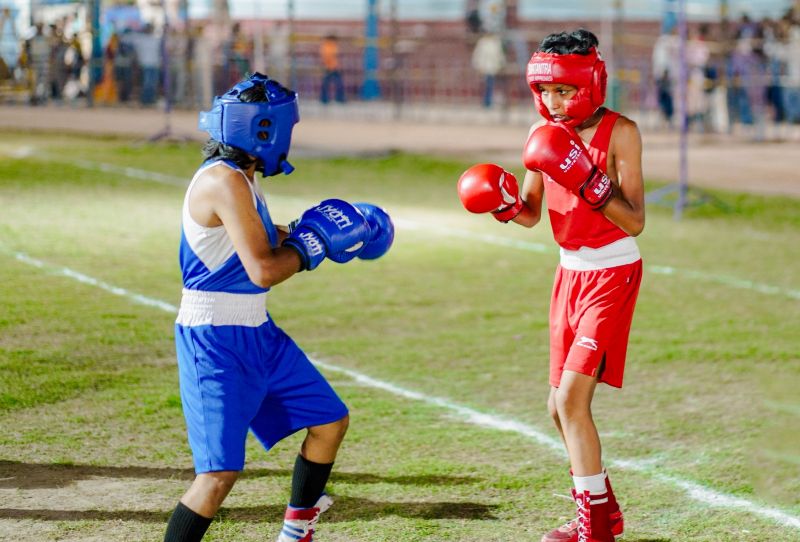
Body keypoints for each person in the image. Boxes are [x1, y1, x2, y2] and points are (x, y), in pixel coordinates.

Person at [164, 73, 395, 542]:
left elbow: (261, 239)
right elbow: (263, 270)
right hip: (215, 338)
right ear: (264, 130)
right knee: (217, 477)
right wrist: (312, 246)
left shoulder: (240, 177)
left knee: (330, 421)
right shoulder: (223, 181)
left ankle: (296, 532)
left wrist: (317, 231)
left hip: (255, 330)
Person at [457, 29, 644, 542]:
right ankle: (604, 512)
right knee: (554, 406)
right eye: (546, 91)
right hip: (569, 275)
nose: (554, 102)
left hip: (612, 271)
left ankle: (594, 529)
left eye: (564, 90)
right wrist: (501, 203)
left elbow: (634, 220)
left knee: (570, 403)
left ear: (590, 82)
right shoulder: (542, 132)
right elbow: (532, 214)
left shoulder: (621, 131)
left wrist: (590, 182)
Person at [319, 34, 345, 104]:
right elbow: (328, 57)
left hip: (332, 67)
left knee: (333, 83)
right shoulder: (329, 46)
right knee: (333, 83)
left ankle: (327, 99)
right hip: (330, 68)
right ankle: (327, 99)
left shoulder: (329, 46)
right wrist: (330, 66)